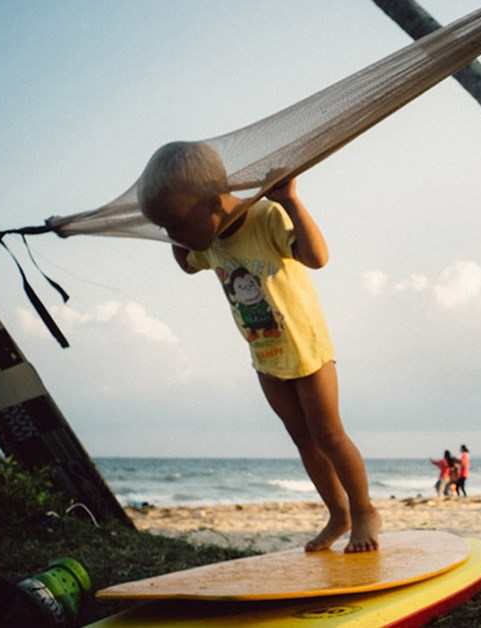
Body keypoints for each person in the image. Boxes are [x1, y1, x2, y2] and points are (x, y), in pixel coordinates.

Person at [139, 141, 380, 553]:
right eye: (166, 229)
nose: (171, 236)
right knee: (302, 439)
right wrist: (174, 231)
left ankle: (363, 511)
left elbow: (317, 257)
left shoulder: (264, 216)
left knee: (329, 434)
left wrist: (290, 201)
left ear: (213, 203)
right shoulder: (206, 242)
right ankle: (337, 514)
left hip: (307, 349)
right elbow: (185, 263)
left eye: (174, 225)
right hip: (265, 356)